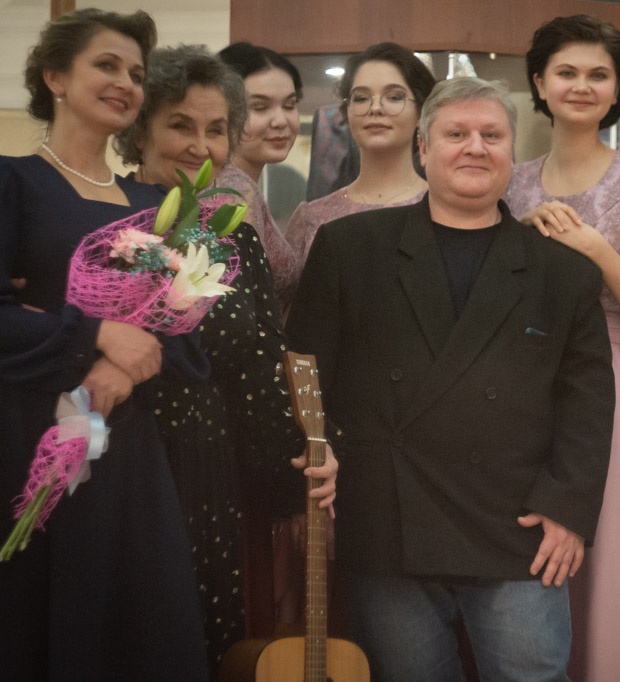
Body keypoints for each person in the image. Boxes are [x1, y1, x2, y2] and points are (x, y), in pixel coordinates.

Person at [286, 77, 615, 681]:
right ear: (423, 147)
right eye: (456, 133)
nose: (475, 147)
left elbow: (587, 405)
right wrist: (317, 450)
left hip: (521, 524)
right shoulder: (350, 248)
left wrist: (567, 508)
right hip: (387, 517)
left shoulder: (563, 271)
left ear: (512, 151)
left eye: (492, 135)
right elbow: (304, 371)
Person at [114, 44, 338, 674]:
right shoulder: (107, 220)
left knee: (200, 640)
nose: (200, 146)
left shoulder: (233, 233)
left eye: (216, 130)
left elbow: (264, 365)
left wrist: (298, 478)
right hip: (124, 458)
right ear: (139, 127)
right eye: (180, 125)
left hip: (211, 468)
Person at [0, 10, 209, 679]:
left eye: (136, 74)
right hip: (29, 435)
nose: (126, 83)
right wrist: (96, 335)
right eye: (106, 65)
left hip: (127, 446)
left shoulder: (156, 203)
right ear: (55, 77)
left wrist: (127, 367)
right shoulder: (12, 181)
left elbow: (184, 331)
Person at [504, 15, 620, 681]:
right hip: (521, 383)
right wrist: (521, 234)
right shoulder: (513, 181)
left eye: (599, 75)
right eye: (567, 72)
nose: (582, 85)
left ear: (618, 91)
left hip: (610, 376)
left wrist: (595, 248)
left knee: (609, 564)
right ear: (539, 83)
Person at [287, 42, 435, 267]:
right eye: (361, 98)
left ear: (421, 113)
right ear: (347, 112)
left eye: (394, 97)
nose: (375, 108)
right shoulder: (312, 217)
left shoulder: (442, 208)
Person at [217, 42, 303, 311]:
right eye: (260, 107)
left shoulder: (240, 183)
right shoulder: (233, 189)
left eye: (289, 105)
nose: (281, 121)